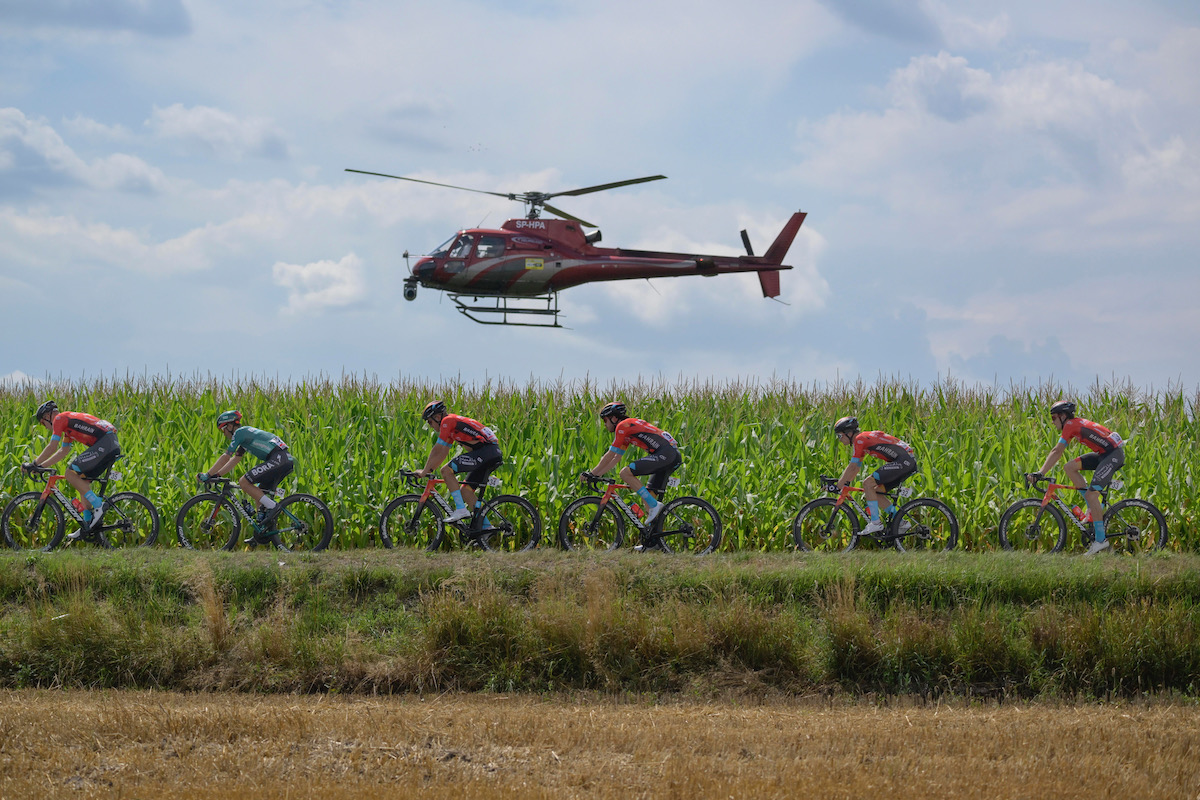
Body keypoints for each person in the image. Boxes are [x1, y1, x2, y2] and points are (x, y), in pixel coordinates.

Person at [1027, 399, 1124, 555]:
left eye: (1054, 418)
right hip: (1104, 454)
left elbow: (1057, 451)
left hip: (1112, 456)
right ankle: (1092, 510)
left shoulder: (1071, 425)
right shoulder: (1074, 425)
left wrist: (1040, 473)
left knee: (1093, 495)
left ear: (1063, 416)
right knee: (1069, 467)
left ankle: (1100, 541)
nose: (1052, 422)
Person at [583, 402, 681, 542]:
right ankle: (654, 542)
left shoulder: (623, 427)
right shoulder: (628, 431)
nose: (605, 424)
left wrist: (592, 473)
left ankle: (654, 506)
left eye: (605, 420)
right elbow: (616, 458)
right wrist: (596, 475)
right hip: (669, 455)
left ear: (614, 418)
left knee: (625, 473)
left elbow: (610, 455)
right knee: (648, 496)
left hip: (666, 454)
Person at [22, 400, 120, 538]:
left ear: (47, 416)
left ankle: (98, 505)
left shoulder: (59, 419)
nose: (44, 427)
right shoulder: (68, 427)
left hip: (105, 443)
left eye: (42, 423)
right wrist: (41, 466)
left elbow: (52, 446)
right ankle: (87, 524)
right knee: (82, 481)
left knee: (69, 474)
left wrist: (34, 463)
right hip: (110, 443)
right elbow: (63, 451)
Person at [198, 410, 294, 538]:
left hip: (278, 458)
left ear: (230, 426)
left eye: (223, 430)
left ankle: (274, 507)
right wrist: (217, 475)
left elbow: (226, 456)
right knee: (259, 492)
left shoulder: (239, 433)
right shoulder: (246, 435)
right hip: (283, 459)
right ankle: (263, 530)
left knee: (244, 481)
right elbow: (235, 460)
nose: (224, 434)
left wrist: (207, 475)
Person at [416, 400, 502, 524]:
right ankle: (486, 528)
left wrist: (424, 472)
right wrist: (429, 470)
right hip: (490, 453)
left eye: (430, 421)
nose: (430, 425)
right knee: (466, 492)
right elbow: (442, 454)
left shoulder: (447, 422)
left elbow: (437, 449)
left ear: (438, 417)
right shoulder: (452, 427)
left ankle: (461, 509)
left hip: (486, 452)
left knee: (446, 471)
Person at [832, 416, 917, 537]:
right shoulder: (862, 441)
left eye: (840, 436)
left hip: (904, 461)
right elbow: (856, 468)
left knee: (868, 483)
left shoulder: (860, 439)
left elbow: (852, 467)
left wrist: (839, 485)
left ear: (849, 433)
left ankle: (876, 522)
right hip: (905, 461)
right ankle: (901, 522)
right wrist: (843, 484)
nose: (839, 440)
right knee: (876, 492)